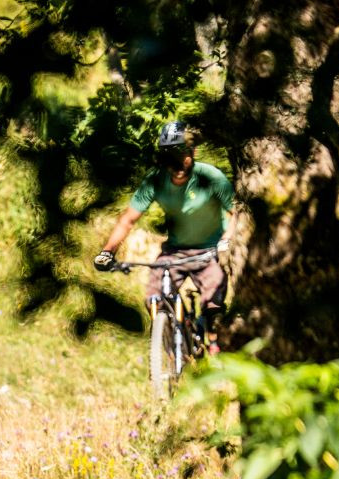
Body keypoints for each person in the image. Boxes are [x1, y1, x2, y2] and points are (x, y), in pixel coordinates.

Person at [94, 120, 239, 352]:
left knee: (213, 304)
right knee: (153, 298)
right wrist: (106, 252)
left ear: (193, 152)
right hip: (175, 251)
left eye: (182, 154)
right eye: (171, 155)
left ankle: (212, 343)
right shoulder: (156, 180)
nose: (178, 162)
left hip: (209, 251)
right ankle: (169, 346)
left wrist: (225, 241)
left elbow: (236, 213)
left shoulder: (210, 177)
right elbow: (128, 220)